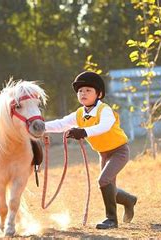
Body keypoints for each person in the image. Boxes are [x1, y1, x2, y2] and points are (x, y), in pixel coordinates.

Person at [45, 71, 137, 229]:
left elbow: (104, 126)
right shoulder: (80, 113)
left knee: (103, 181)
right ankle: (128, 200)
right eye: (80, 91)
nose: (83, 93)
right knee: (107, 185)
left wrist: (83, 132)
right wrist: (39, 127)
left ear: (99, 94)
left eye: (88, 90)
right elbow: (61, 124)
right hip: (104, 153)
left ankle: (111, 220)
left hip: (119, 151)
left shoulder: (104, 110)